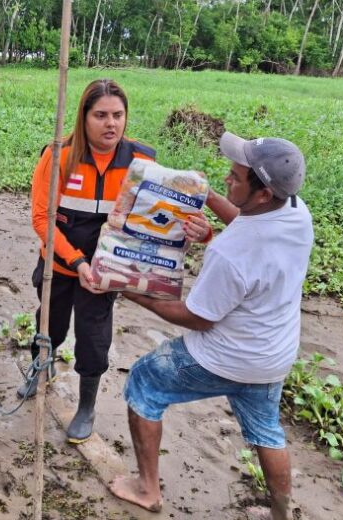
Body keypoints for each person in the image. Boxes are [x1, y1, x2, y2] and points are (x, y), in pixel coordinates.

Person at [110, 132, 314, 520]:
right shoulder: (296, 214)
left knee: (145, 381)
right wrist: (200, 194)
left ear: (263, 194)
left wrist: (135, 294)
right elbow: (246, 222)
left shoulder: (229, 254)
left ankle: (148, 489)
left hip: (226, 356)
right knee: (266, 431)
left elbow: (198, 317)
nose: (227, 179)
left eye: (235, 178)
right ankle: (281, 514)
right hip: (273, 355)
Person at [20, 79, 212, 444]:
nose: (111, 123)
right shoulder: (59, 155)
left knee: (93, 338)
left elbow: (164, 219)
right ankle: (39, 370)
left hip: (106, 273)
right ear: (83, 117)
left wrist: (199, 231)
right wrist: (77, 263)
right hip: (60, 266)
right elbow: (42, 219)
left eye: (118, 115)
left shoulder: (142, 162)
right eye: (101, 115)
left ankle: (86, 406)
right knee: (50, 324)